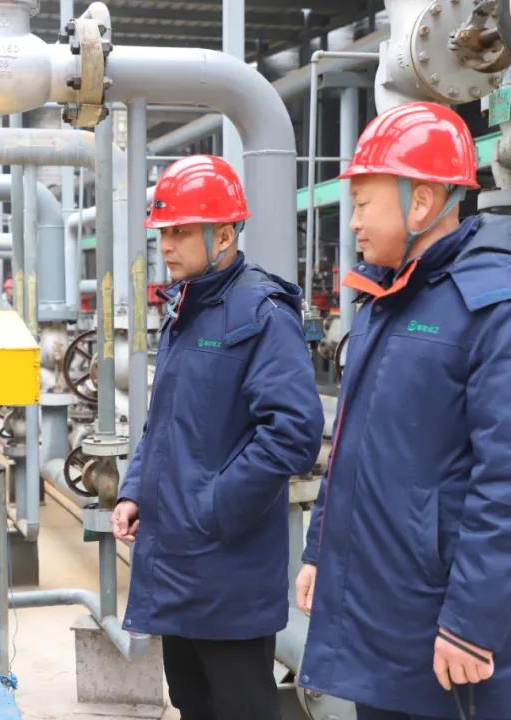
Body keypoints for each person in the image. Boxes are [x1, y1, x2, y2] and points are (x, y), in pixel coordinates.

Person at [295, 102, 511, 720]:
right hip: (385, 623)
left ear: (420, 202)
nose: (354, 223)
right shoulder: (390, 299)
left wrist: (472, 623)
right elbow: (353, 449)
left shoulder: (507, 309)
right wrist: (320, 553)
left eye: (362, 204)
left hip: (451, 634)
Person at [110, 154, 324, 720]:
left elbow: (293, 433)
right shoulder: (184, 310)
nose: (166, 245)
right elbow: (164, 424)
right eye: (164, 232)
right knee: (192, 702)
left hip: (226, 571)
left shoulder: (261, 312)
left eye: (180, 232)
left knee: (239, 708)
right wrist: (136, 490)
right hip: (177, 564)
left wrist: (211, 507)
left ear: (224, 235)